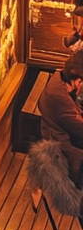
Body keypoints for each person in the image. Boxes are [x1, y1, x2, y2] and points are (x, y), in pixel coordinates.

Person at [38, 51, 83, 183]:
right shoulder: (59, 98)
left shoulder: (62, 81)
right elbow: (79, 128)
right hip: (65, 146)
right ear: (77, 79)